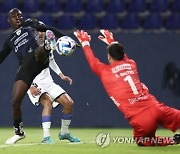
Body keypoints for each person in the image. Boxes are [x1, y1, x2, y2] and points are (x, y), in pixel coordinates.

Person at [74, 29, 180, 146]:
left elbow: (92, 61)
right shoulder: (131, 64)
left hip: (141, 119)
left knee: (143, 141)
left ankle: (171, 140)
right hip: (156, 107)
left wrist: (85, 42)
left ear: (109, 57)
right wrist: (111, 41)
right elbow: (122, 55)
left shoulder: (104, 71)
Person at [0, 8, 65, 144]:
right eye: (14, 16)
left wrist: (64, 37)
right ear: (9, 20)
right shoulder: (9, 40)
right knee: (15, 102)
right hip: (25, 67)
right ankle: (19, 132)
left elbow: (48, 28)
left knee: (39, 50)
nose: (18, 18)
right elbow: (1, 57)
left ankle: (48, 46)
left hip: (38, 58)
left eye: (19, 15)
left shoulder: (29, 24)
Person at [27, 30, 80, 143]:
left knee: (69, 103)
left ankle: (64, 133)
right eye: (38, 32)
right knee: (47, 102)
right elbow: (21, 69)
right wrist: (30, 86)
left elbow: (51, 61)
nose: (40, 34)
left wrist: (61, 75)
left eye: (42, 31)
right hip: (35, 83)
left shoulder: (47, 45)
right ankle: (46, 137)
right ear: (33, 34)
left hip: (48, 82)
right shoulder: (28, 48)